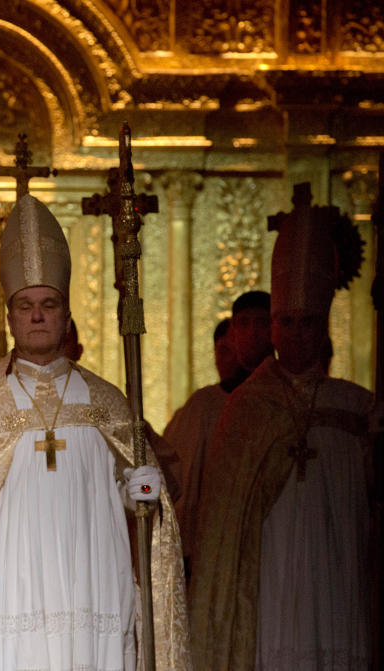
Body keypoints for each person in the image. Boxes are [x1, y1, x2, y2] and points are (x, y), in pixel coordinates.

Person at [0, 194, 190, 671]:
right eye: (26, 306)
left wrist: (143, 490)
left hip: (93, 580)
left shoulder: (105, 401)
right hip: (9, 582)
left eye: (48, 304)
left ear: (66, 315)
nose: (38, 315)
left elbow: (139, 498)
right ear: (10, 318)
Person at [189, 184, 374, 670]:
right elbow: (224, 527)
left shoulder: (357, 407)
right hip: (269, 572)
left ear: (325, 325)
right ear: (272, 327)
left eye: (307, 321)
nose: (296, 333)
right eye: (286, 322)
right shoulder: (246, 408)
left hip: (338, 571)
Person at [162, 317, 240, 575]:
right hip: (206, 535)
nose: (231, 359)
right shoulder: (201, 405)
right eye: (224, 351)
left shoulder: (270, 402)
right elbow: (177, 471)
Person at [228, 289, 273, 384]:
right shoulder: (209, 397)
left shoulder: (290, 392)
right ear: (233, 330)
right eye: (244, 323)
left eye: (261, 323)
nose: (252, 332)